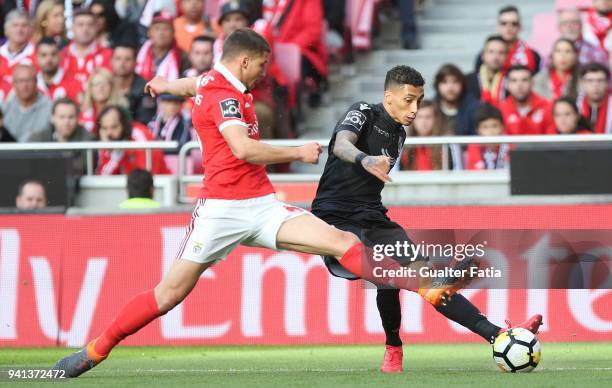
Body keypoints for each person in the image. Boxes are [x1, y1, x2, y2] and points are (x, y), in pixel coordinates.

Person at [53, 29, 466, 378]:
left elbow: (188, 85)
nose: (267, 72)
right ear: (246, 61)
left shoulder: (211, 83)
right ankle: (95, 351)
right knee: (167, 296)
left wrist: (164, 86)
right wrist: (297, 152)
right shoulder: (226, 99)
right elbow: (242, 148)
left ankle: (423, 286)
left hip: (262, 206)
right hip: (219, 211)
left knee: (342, 241)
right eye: (264, 64)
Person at [311, 66, 542, 373]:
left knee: (428, 280)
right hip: (335, 220)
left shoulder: (400, 134)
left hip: (375, 219)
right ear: (388, 96)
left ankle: (500, 335)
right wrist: (364, 159)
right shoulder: (362, 111)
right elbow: (340, 144)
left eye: (419, 100)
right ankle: (394, 345)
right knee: (390, 277)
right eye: (408, 100)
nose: (415, 109)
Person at [95, 105, 170, 175]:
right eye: (104, 128)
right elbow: (103, 177)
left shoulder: (138, 133)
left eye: (114, 127)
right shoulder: (106, 141)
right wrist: (113, 155)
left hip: (158, 185)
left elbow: (145, 174)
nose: (109, 133)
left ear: (123, 124)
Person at [475, 6, 541, 74]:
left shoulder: (533, 55)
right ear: (498, 26)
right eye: (504, 23)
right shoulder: (485, 56)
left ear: (520, 27)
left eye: (514, 24)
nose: (509, 27)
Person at [399, 100, 462, 171]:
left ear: (436, 119)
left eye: (428, 117)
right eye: (419, 117)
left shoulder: (447, 144)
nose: (423, 121)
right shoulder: (403, 145)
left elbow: (457, 171)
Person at [60, 8, 113, 91]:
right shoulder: (61, 55)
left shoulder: (108, 55)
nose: (85, 29)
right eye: (80, 24)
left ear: (96, 28)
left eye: (90, 25)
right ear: (72, 28)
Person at [1, 64, 53, 142]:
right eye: (21, 81)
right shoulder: (4, 108)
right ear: (14, 83)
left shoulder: (50, 108)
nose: (25, 85)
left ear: (36, 82)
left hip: (39, 153)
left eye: (29, 80)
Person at [499, 65, 554, 135]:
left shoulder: (547, 106)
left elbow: (552, 139)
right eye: (514, 80)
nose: (519, 85)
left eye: (524, 80)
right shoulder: (501, 109)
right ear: (507, 85)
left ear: (532, 83)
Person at [112, 43, 157, 124]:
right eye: (118, 59)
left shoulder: (146, 89)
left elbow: (144, 121)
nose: (122, 63)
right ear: (111, 61)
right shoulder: (106, 84)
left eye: (127, 59)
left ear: (135, 62)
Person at [136, 11, 188, 82]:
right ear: (149, 32)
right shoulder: (138, 53)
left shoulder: (182, 57)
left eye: (166, 29)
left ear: (173, 33)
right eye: (157, 29)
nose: (161, 33)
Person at [434, 64, 480, 136]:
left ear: (462, 84)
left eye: (455, 82)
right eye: (444, 82)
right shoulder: (431, 108)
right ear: (437, 85)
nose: (450, 87)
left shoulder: (475, 109)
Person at [80, 68, 129, 133]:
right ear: (90, 88)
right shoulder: (84, 110)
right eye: (97, 84)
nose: (100, 88)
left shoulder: (121, 109)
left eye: (105, 84)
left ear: (112, 87)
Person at [466, 35, 508, 107]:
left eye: (501, 52)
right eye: (491, 52)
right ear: (483, 55)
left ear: (506, 56)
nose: (496, 57)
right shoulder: (467, 80)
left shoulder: (512, 80)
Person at [36, 37, 82, 102]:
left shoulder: (74, 84)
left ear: (60, 56)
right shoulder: (31, 83)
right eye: (44, 55)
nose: (49, 59)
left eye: (53, 54)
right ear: (37, 57)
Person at [466, 103, 509, 170]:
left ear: (502, 127)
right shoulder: (474, 146)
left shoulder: (509, 146)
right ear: (477, 130)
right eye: (485, 127)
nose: (491, 131)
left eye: (495, 126)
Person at [0, 10, 36, 81]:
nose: (19, 30)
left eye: (24, 25)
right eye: (15, 25)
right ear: (6, 30)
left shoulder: (38, 54)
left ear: (30, 30)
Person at [577, 62, 611, 133]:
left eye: (600, 80)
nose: (595, 85)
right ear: (583, 83)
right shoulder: (576, 106)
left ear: (607, 83)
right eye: (590, 81)